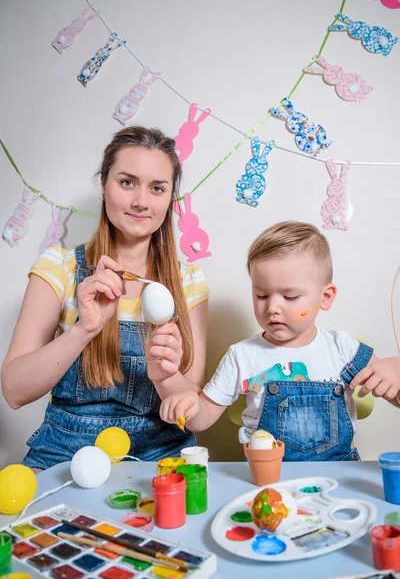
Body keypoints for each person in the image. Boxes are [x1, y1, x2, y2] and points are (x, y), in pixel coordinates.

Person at [1, 126, 209, 470]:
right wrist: (84, 329)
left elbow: (192, 409)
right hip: (64, 452)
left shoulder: (189, 283)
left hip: (160, 452)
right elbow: (14, 391)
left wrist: (165, 376)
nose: (141, 201)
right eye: (127, 182)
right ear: (103, 185)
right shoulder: (60, 268)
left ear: (170, 198)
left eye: (157, 188)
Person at [159, 221, 400, 462]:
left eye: (290, 296)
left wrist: (396, 371)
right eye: (261, 295)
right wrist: (191, 404)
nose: (272, 307)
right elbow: (204, 418)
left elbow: (396, 397)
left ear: (325, 297)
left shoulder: (344, 350)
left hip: (338, 476)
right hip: (267, 478)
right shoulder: (241, 356)